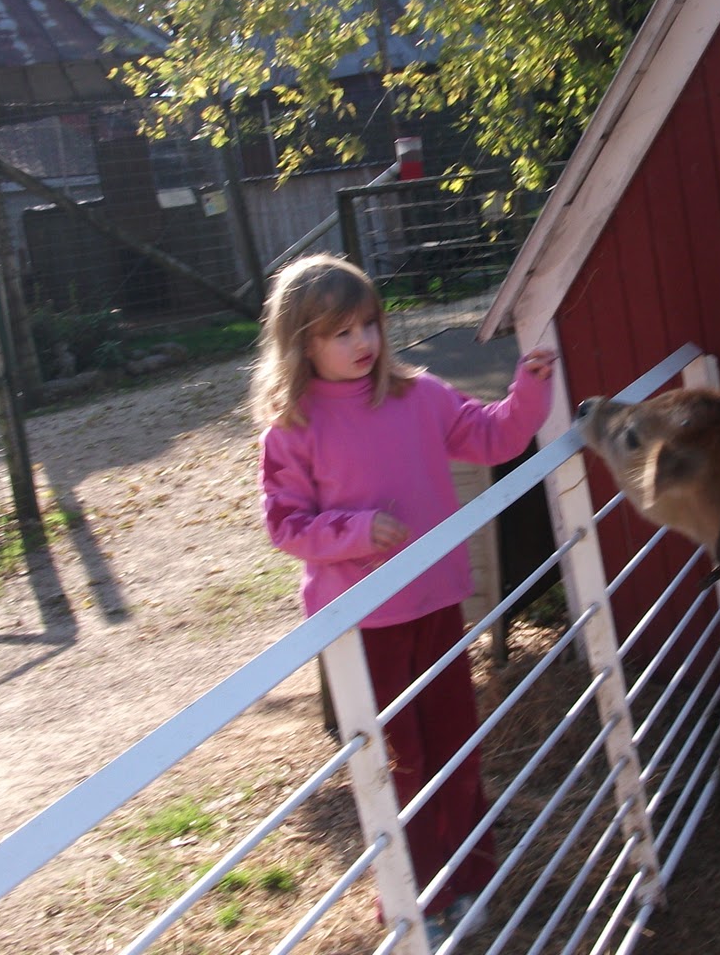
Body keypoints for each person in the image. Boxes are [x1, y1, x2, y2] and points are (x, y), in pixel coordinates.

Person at [252, 254, 555, 947]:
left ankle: (473, 876)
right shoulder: (293, 428)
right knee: (402, 762)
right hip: (365, 622)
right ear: (302, 343)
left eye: (368, 325)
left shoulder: (417, 395)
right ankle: (415, 896)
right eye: (340, 333)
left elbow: (492, 435)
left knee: (456, 744)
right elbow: (285, 525)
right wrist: (357, 532)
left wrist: (529, 392)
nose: (362, 343)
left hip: (437, 603)